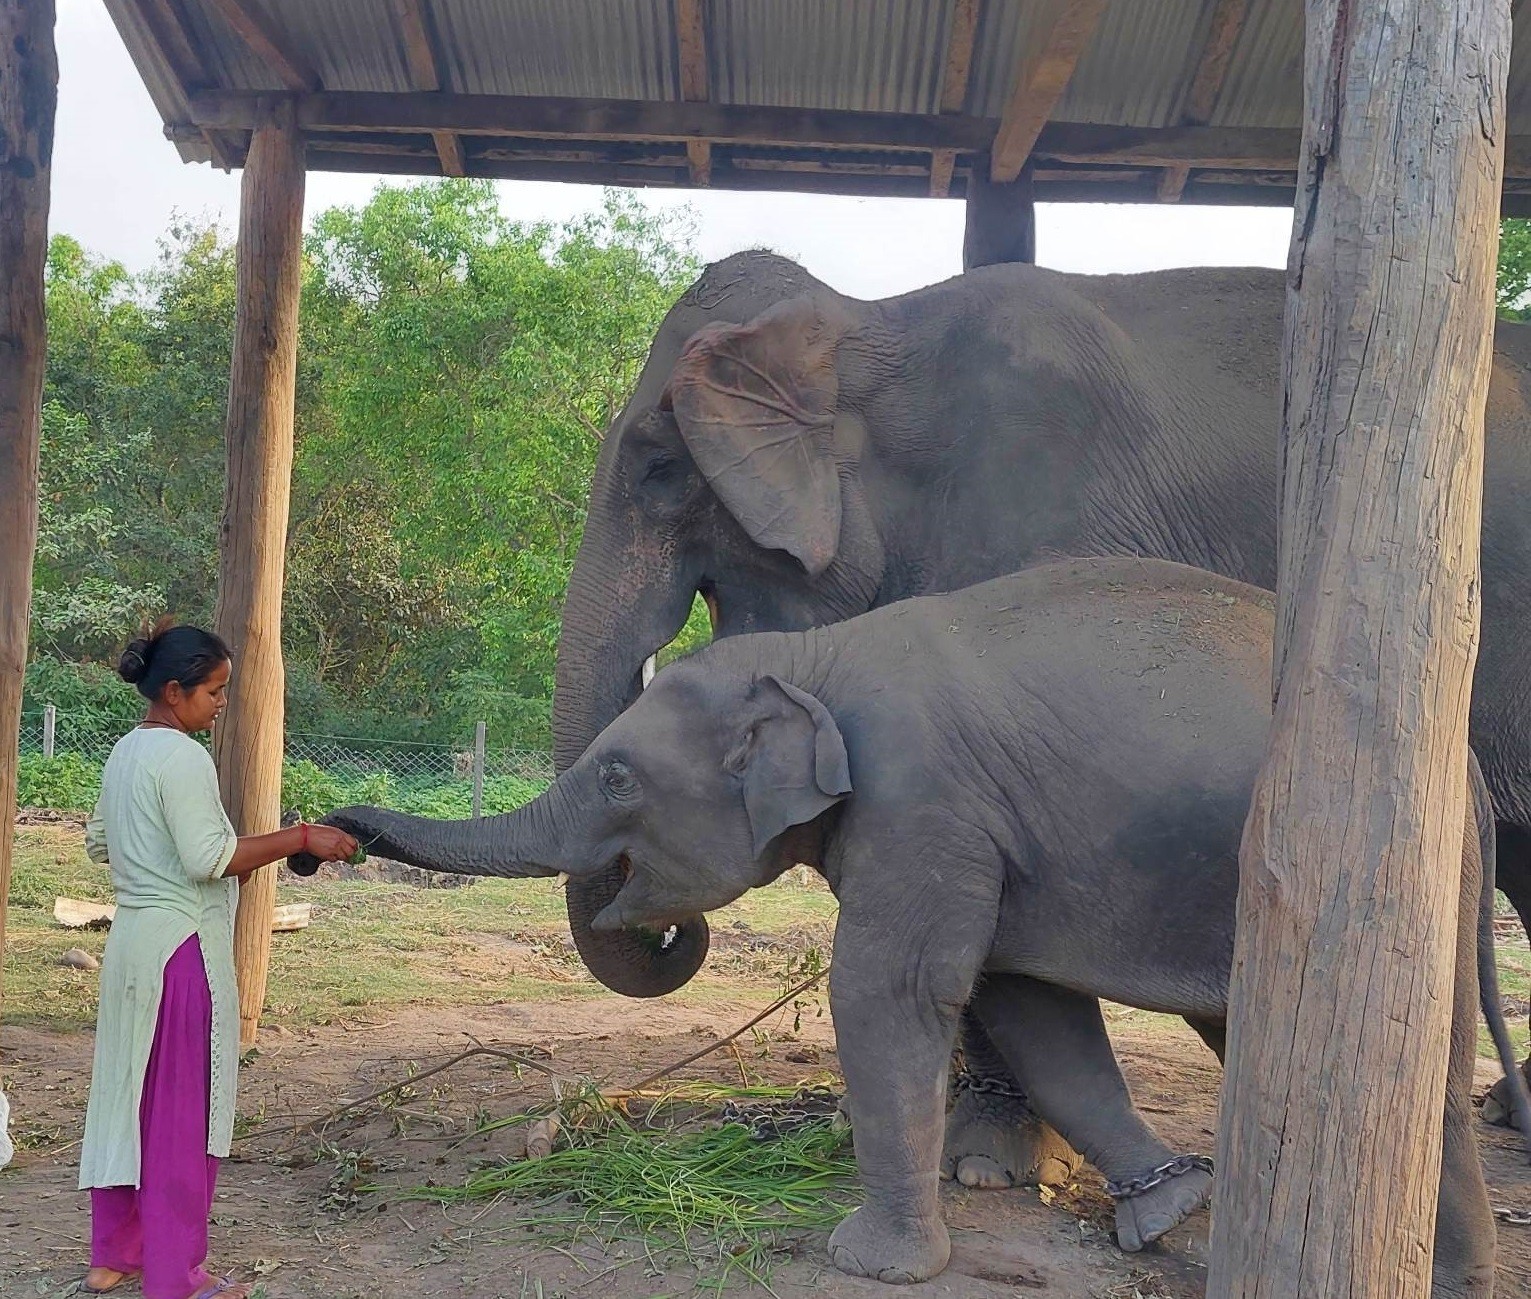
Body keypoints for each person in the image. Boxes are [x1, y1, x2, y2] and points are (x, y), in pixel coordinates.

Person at [77, 623, 358, 1299]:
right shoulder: (182, 757)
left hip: (132, 947)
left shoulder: (125, 752)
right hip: (179, 953)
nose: (221, 703)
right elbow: (210, 857)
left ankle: (113, 1254)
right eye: (213, 691)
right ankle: (177, 1275)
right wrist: (300, 835)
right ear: (174, 692)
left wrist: (151, 863)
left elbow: (96, 841)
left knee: (126, 1100)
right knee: (178, 1115)